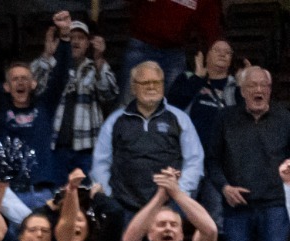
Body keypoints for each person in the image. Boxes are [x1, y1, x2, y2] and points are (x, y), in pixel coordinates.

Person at [0, 13, 70, 199]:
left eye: (25, 78)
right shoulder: (0, 107)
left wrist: (65, 36)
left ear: (33, 84)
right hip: (8, 192)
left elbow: (60, 75)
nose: (20, 82)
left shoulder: (45, 106)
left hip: (42, 190)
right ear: (7, 87)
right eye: (15, 79)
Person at [207, 68, 290, 241]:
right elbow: (212, 161)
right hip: (237, 208)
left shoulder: (285, 118)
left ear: (270, 90)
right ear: (242, 91)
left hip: (275, 205)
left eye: (264, 85)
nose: (259, 90)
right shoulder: (225, 118)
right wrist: (224, 188)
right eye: (253, 85)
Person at [93, 62, 205, 213]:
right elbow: (101, 162)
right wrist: (109, 195)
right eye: (145, 82)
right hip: (124, 208)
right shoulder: (115, 120)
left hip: (168, 207)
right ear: (133, 87)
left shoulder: (179, 118)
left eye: (156, 82)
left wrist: (180, 194)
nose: (151, 87)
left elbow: (194, 160)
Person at [31, 18, 121, 181]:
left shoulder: (95, 67)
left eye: (81, 38)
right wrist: (47, 54)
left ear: (88, 43)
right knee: (56, 198)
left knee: (86, 198)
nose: (75, 42)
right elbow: (32, 87)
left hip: (87, 148)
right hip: (55, 146)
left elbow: (110, 94)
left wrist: (100, 58)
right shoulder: (51, 66)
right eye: (71, 38)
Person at [125, 0, 222, 86]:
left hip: (175, 53)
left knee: (175, 102)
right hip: (142, 46)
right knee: (130, 98)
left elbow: (210, 29)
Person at [170, 39, 240, 147]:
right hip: (191, 149)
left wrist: (245, 82)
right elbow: (173, 105)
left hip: (224, 152)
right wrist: (197, 78)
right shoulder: (187, 78)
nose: (222, 54)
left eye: (227, 52)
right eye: (217, 50)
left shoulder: (235, 85)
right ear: (205, 55)